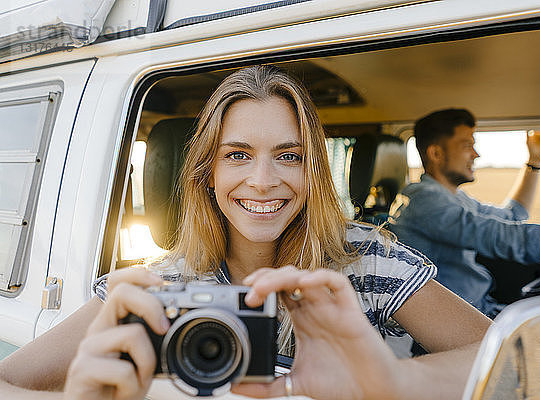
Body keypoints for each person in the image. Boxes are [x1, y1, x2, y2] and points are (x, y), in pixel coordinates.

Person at [0, 67, 490, 399]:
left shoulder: (362, 261)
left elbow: (506, 353)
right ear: (207, 173)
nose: (262, 180)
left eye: (289, 155)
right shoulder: (157, 287)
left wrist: (389, 379)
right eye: (237, 154)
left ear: (312, 171)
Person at [391, 108, 540, 318]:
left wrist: (534, 161)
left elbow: (512, 217)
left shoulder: (454, 198)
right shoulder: (423, 201)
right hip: (458, 320)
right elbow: (504, 236)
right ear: (436, 153)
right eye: (467, 146)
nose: (476, 154)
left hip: (479, 308)